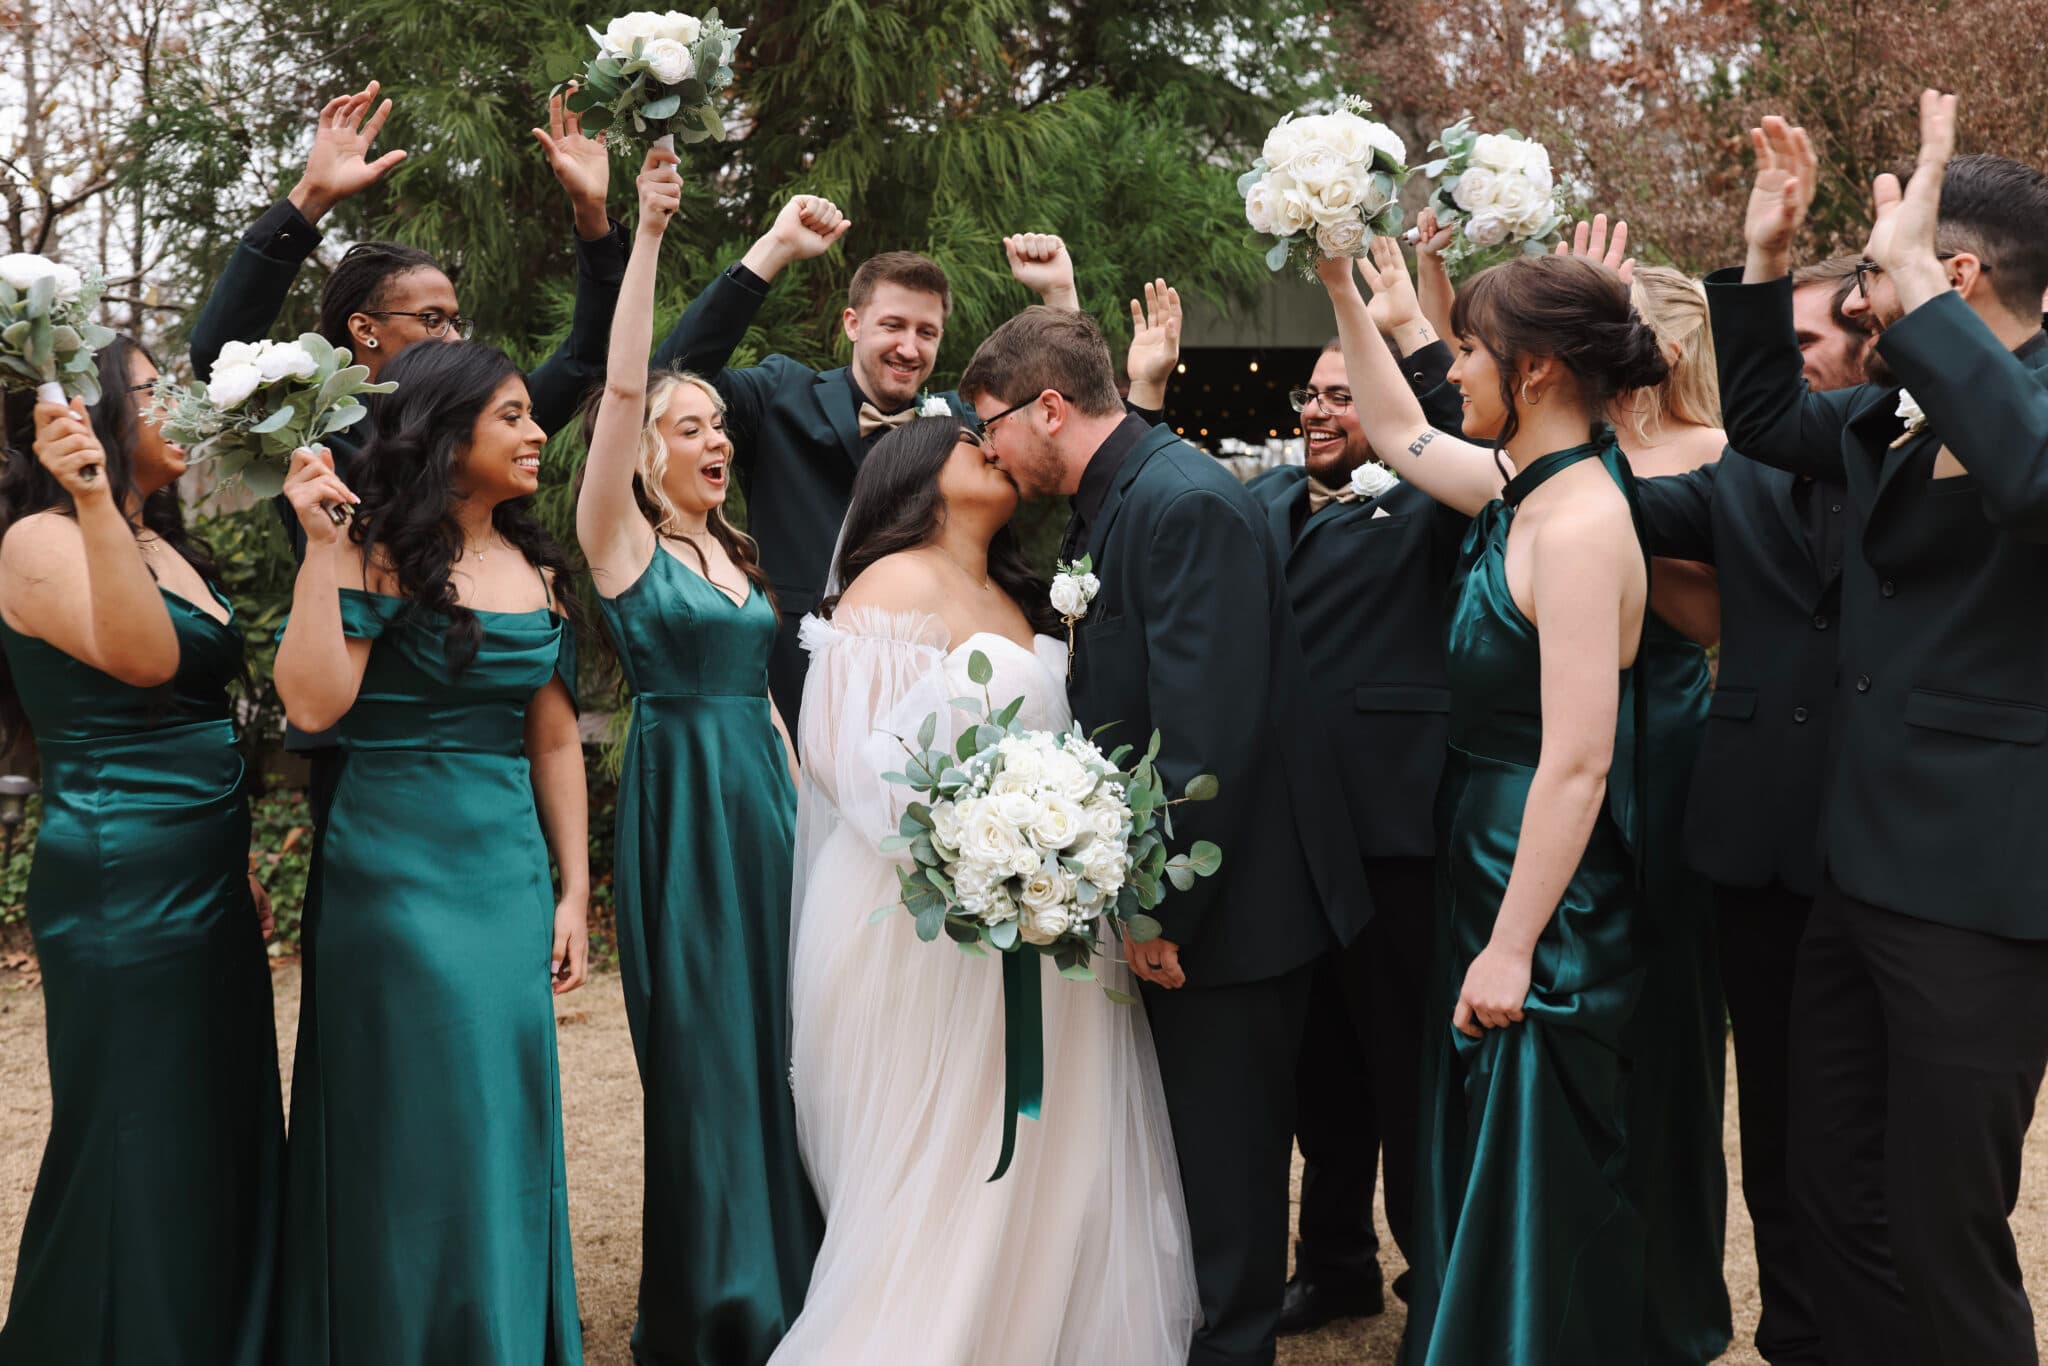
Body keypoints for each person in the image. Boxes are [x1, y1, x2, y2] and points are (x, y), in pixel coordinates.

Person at [960, 306, 1372, 1366]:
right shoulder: (1122, 496)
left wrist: (1155, 909)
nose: (988, 448)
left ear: (1047, 406)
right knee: (1196, 1164)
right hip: (1210, 903)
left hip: (1235, 915)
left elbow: (1204, 737)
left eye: (991, 424)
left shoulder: (1179, 503)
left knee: (1226, 1175)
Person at [1714, 95, 2048, 1366]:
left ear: (1952, 272)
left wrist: (1921, 303)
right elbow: (1757, 422)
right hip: (1850, 876)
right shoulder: (1886, 407)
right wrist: (1761, 255)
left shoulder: (2009, 399)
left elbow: (2024, 479)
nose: (1855, 301)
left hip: (1978, 889)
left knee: (1941, 1219)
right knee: (1827, 1188)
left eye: (1877, 270)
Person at [772, 413, 1199, 1363]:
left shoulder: (1024, 595)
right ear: (917, 471)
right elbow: (842, 759)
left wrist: (1065, 849)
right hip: (926, 921)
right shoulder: (889, 585)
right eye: (973, 440)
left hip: (1048, 917)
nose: (994, 449)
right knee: (944, 1157)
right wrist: (981, 854)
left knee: (1053, 1161)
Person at [1319, 240, 1673, 1365]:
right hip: (1479, 853)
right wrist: (1339, 286)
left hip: (1543, 890)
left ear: (1530, 373)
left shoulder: (1574, 527)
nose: (1451, 370)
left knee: (1536, 1163)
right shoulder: (1521, 488)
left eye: (1465, 349)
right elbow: (1397, 432)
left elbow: (1578, 761)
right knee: (1479, 1145)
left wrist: (1512, 948)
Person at [187, 80, 625, 834]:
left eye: (458, 321)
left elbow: (589, 358)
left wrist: (592, 219)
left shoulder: (486, 426)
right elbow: (219, 355)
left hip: (471, 743)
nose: (454, 338)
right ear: (364, 329)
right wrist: (307, 202)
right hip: (359, 728)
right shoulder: (316, 433)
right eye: (432, 320)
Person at [270, 341, 591, 1365]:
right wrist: (321, 552)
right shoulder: (369, 553)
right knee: (415, 1114)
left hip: (502, 869)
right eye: (511, 416)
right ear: (446, 436)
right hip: (393, 870)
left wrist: (574, 889)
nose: (535, 432)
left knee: (500, 1107)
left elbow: (550, 736)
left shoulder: (535, 569)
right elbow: (313, 703)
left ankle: (491, 1328)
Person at [576, 148, 819, 1364]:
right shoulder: (619, 544)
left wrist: (816, 809)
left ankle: (800, 1265)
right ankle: (722, 1299)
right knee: (706, 1049)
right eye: (690, 423)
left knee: (785, 1038)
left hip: (762, 804)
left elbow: (769, 703)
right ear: (646, 448)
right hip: (681, 812)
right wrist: (652, 240)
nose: (713, 435)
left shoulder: (735, 554)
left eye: (719, 421)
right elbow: (619, 388)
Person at [0, 342, 283, 1365]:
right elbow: (145, 659)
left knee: (216, 1119)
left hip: (206, 868)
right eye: (159, 391)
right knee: (137, 1130)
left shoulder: (162, 540)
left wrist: (239, 854)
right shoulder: (38, 540)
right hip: (120, 875)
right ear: (95, 418)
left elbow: (197, 706)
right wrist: (85, 497)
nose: (182, 406)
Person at [1629, 254, 1869, 1366]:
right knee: (1769, 1116)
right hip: (1753, 841)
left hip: (1882, 843)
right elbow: (1606, 499)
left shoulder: (1919, 460)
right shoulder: (1734, 477)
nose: (1793, 359)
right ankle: (1794, 1331)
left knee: (1872, 1126)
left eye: (1811, 339)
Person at [653, 210, 1165, 725]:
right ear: (852, 324)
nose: (908, 347)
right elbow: (669, 380)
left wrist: (1059, 297)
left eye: (927, 332)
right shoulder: (780, 394)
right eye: (893, 326)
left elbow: (1070, 445)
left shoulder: (963, 431)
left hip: (938, 715)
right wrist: (775, 248)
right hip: (784, 700)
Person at [1246, 324, 1466, 1335]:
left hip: (1392, 840)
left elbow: (1453, 434)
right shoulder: (1257, 504)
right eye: (1310, 392)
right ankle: (1332, 1264)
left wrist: (1411, 362)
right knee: (1317, 1073)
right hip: (1286, 841)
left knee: (1407, 1073)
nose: (1318, 409)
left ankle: (1438, 1287)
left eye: (1342, 395)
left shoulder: (1428, 505)